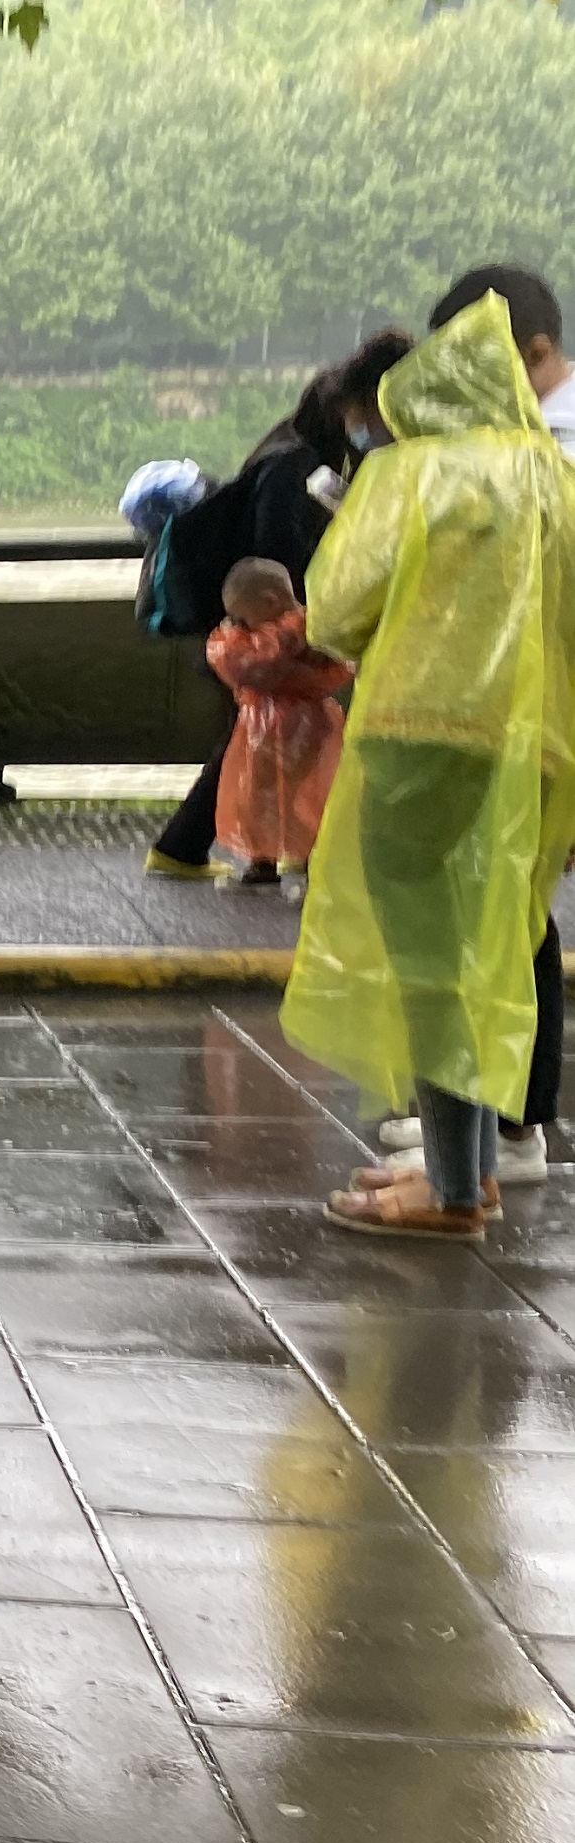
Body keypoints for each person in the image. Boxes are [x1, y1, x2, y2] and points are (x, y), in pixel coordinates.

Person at [291, 291, 575, 1240]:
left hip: (420, 733)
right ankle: (477, 1167)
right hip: (531, 743)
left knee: (427, 961)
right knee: (496, 945)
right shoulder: (554, 478)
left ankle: (451, 1187)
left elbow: (333, 614)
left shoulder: (416, 474)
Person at [364, 266, 575, 1191]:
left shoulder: (542, 450)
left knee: (491, 927)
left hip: (509, 722)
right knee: (506, 917)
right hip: (529, 726)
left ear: (527, 351)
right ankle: (491, 1132)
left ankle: (498, 1140)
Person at [143, 335, 409, 877]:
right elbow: (279, 553)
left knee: (259, 745)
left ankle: (212, 852)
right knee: (259, 745)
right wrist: (299, 625)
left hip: (254, 624)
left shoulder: (304, 453)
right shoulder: (295, 465)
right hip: (262, 630)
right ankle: (197, 851)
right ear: (348, 408)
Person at [206, 557, 352, 884]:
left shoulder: (293, 633)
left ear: (269, 602)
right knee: (263, 793)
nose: (238, 625)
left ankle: (299, 854)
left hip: (290, 727)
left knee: (301, 792)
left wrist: (286, 635)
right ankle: (269, 855)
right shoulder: (307, 630)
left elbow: (254, 664)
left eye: (243, 617)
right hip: (288, 724)